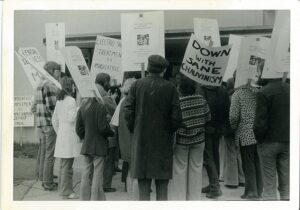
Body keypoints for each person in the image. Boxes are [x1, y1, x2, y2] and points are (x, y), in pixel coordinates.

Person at [124, 54, 182, 200]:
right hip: (163, 143)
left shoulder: (136, 85)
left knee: (143, 187)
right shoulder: (171, 88)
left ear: (148, 68)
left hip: (141, 142)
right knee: (162, 188)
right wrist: (169, 131)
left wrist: (135, 129)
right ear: (163, 70)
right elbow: (176, 118)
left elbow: (128, 111)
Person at [168, 76, 210, 200]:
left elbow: (174, 121)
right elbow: (208, 117)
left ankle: (179, 199)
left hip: (182, 140)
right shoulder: (201, 100)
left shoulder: (178, 101)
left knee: (179, 169)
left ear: (180, 86)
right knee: (196, 169)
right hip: (199, 140)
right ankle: (194, 199)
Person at [254, 78, 290, 200]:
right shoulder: (291, 89)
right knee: (286, 183)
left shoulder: (264, 92)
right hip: (287, 140)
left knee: (269, 185)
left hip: (268, 141)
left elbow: (260, 122)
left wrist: (258, 138)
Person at [76, 97, 114, 200]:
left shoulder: (82, 107)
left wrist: (85, 136)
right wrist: (112, 132)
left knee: (85, 174)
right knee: (97, 175)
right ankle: (95, 200)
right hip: (99, 146)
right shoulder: (100, 107)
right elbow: (102, 128)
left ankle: (84, 200)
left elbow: (78, 128)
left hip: (87, 144)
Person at [229, 81, 263, 200]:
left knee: (248, 163)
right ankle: (258, 191)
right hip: (259, 133)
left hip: (245, 133)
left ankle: (251, 193)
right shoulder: (258, 92)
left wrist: (233, 127)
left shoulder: (238, 94)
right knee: (258, 162)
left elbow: (233, 116)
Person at [31, 61, 61, 191]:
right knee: (50, 153)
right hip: (49, 123)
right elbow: (51, 107)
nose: (59, 73)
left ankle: (44, 177)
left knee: (44, 153)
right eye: (58, 70)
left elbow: (35, 107)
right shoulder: (49, 84)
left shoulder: (39, 84)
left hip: (42, 123)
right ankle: (48, 182)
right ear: (52, 71)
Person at [52, 77, 81, 199]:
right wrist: (79, 108)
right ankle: (66, 191)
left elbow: (54, 120)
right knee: (67, 166)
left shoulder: (59, 100)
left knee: (63, 165)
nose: (74, 87)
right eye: (73, 85)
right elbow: (71, 118)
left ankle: (63, 188)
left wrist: (59, 132)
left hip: (62, 134)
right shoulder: (71, 100)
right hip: (69, 134)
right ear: (70, 86)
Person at [198, 84, 229, 199]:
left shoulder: (201, 88)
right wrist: (222, 126)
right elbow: (227, 108)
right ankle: (213, 184)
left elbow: (201, 109)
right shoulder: (222, 89)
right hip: (218, 128)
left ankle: (215, 187)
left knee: (208, 157)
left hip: (206, 127)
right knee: (215, 155)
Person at [111, 78, 139, 200]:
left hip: (124, 143)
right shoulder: (139, 102)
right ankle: (135, 200)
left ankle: (130, 199)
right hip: (137, 142)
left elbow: (114, 123)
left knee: (129, 172)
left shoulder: (122, 102)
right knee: (137, 174)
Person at [95, 73, 118, 193]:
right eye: (108, 81)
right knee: (108, 161)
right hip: (108, 132)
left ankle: (97, 184)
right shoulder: (105, 97)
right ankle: (106, 185)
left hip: (96, 132)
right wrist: (113, 99)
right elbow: (115, 111)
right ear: (105, 82)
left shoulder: (92, 92)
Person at [222, 72, 245, 188]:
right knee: (239, 153)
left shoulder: (230, 97)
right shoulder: (242, 94)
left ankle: (232, 180)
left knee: (231, 153)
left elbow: (231, 115)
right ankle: (242, 178)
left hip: (231, 128)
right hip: (242, 129)